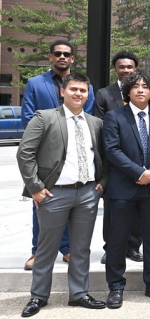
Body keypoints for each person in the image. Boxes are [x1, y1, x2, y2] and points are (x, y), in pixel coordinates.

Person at [17, 73, 107, 317]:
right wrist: (35, 188)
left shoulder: (96, 123)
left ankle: (79, 294)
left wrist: (102, 182)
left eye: (83, 90)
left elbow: (105, 157)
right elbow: (25, 154)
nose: (79, 94)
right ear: (63, 92)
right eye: (74, 89)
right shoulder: (44, 118)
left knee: (80, 248)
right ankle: (38, 297)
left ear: (88, 95)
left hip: (87, 193)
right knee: (46, 248)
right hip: (54, 194)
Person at [21, 39, 96, 270]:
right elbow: (28, 117)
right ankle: (37, 251)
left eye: (67, 54)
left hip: (75, 154)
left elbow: (88, 115)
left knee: (71, 203)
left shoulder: (84, 86)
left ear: (73, 58)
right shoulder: (35, 83)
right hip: (46, 155)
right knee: (41, 201)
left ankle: (67, 249)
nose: (62, 57)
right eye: (58, 53)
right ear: (50, 57)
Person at [103, 72, 150, 308]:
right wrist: (137, 172)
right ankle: (116, 286)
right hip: (122, 188)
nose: (141, 89)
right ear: (128, 91)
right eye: (136, 86)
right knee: (118, 239)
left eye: (145, 86)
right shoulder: (114, 117)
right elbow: (112, 150)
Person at [94, 50, 143, 265]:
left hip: (139, 160)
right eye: (122, 67)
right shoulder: (104, 94)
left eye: (129, 67)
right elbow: (100, 126)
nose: (126, 70)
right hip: (113, 160)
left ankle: (133, 246)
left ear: (135, 69)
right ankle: (112, 247)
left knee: (137, 207)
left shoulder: (142, 92)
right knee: (114, 208)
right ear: (115, 69)